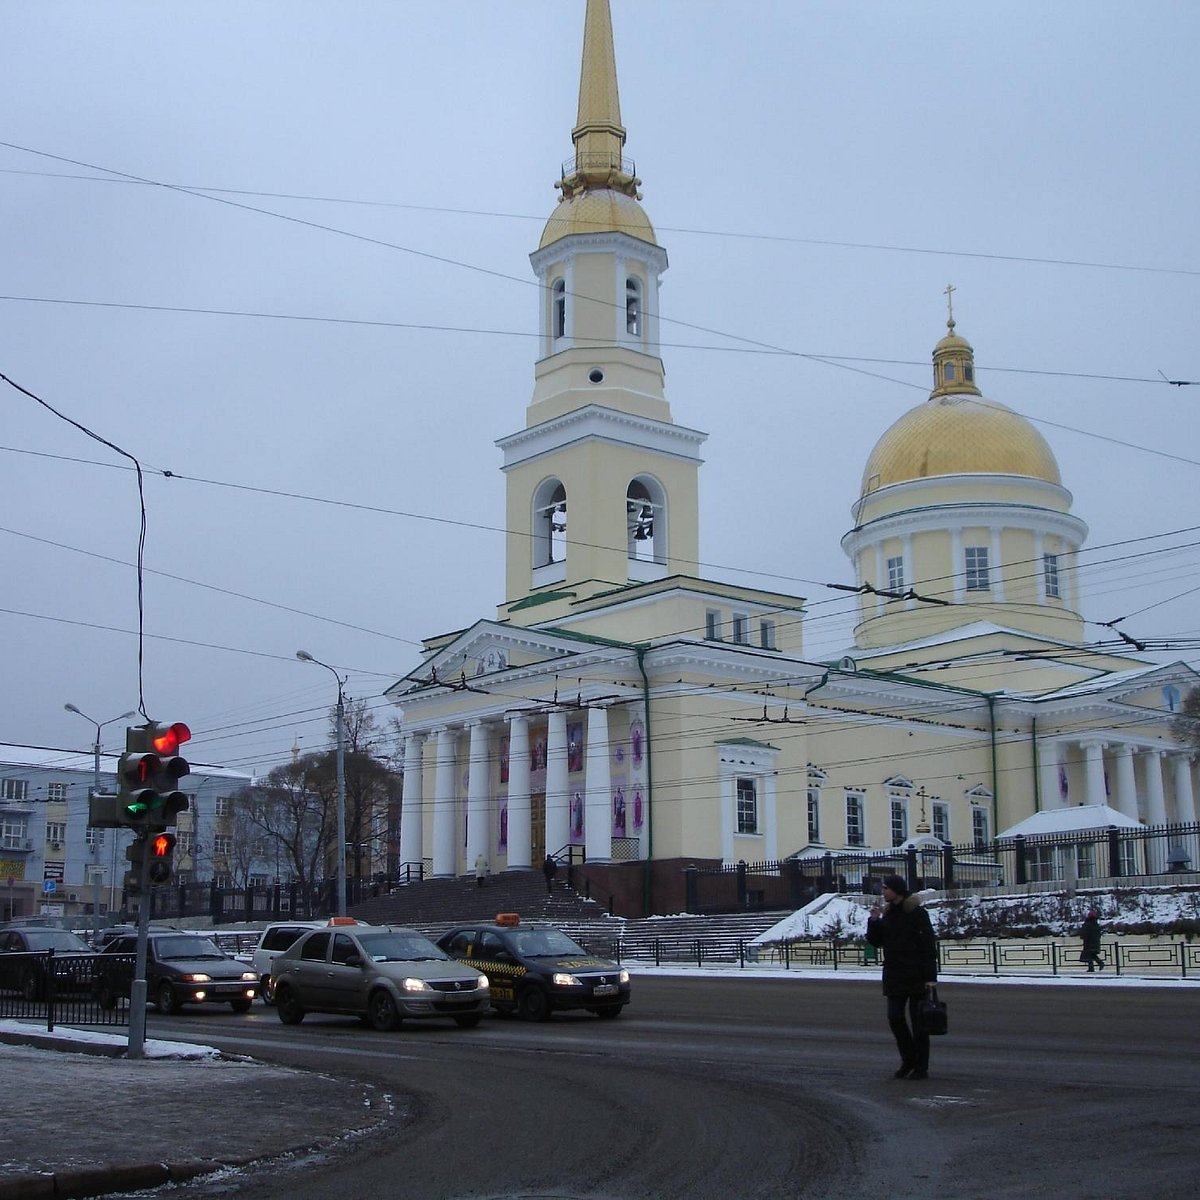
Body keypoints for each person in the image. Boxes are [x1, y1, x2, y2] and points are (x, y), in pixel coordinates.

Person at [865, 874, 939, 1081]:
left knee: (919, 1024)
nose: (883, 892)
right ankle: (908, 1059)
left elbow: (927, 946)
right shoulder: (889, 913)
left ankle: (920, 1067)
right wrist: (873, 920)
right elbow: (876, 942)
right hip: (895, 975)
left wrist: (930, 977)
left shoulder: (916, 913)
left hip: (916, 975)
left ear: (896, 890)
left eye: (886, 888)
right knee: (895, 1018)